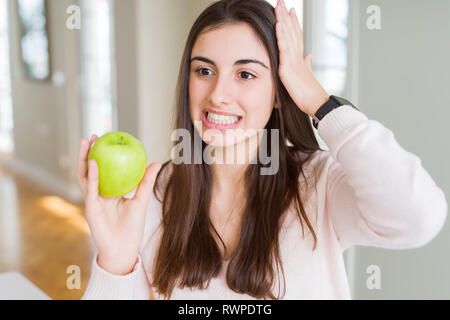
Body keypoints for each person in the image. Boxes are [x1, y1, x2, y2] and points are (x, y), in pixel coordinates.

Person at [78, 0, 447, 300]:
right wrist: (115, 261)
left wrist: (319, 101)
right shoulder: (157, 191)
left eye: (246, 74)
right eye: (203, 71)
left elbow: (418, 218)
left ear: (279, 93)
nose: (218, 94)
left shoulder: (318, 184)